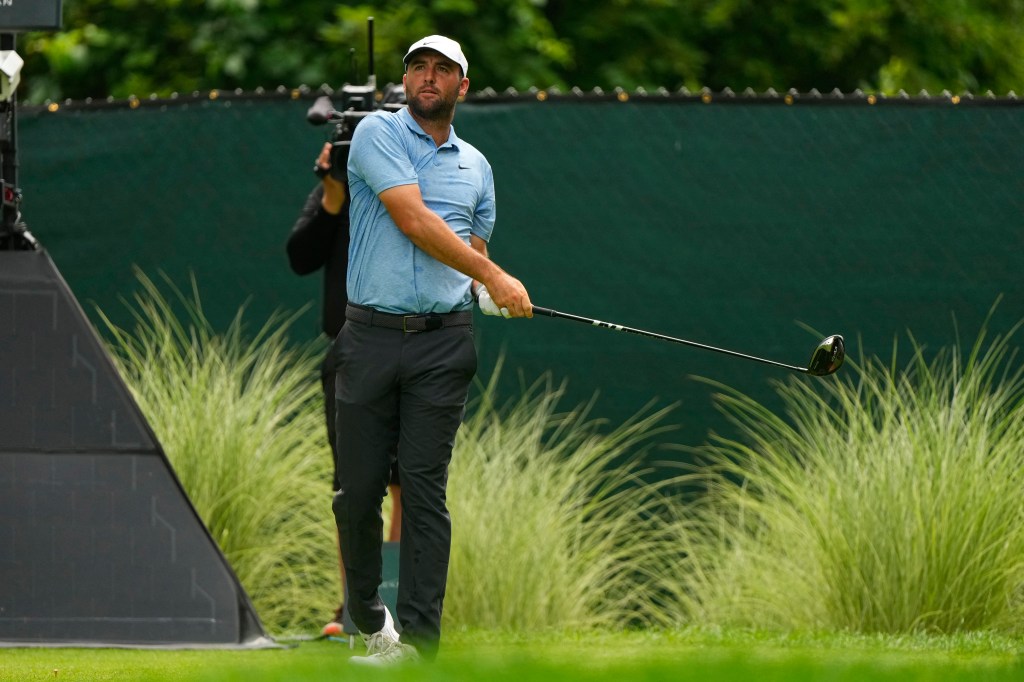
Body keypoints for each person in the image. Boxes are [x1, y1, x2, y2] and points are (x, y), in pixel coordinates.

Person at [334, 34, 532, 665]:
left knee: (423, 492)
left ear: (461, 86)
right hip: (368, 337)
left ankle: (420, 649)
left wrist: (488, 287)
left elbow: (475, 256)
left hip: (444, 345)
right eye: (417, 67)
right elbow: (413, 221)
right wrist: (493, 275)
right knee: (358, 494)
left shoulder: (478, 167)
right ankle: (370, 620)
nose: (427, 77)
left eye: (441, 70)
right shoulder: (376, 134)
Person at [285, 139, 402, 636]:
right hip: (348, 352)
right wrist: (333, 192)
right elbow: (300, 256)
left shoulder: (418, 176)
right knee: (353, 490)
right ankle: (359, 613)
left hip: (416, 345)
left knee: (411, 486)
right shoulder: (338, 180)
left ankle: (400, 604)